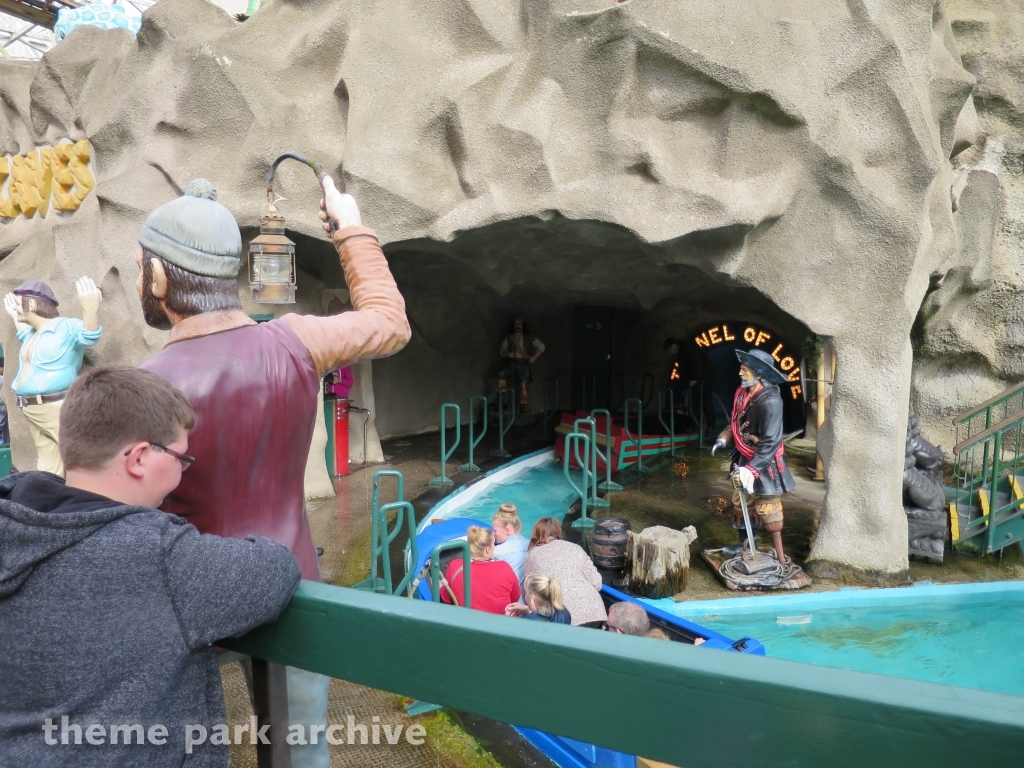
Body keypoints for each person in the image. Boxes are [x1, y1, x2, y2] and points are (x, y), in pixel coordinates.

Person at [136, 177, 410, 768]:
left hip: (190, 603)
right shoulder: (297, 340)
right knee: (302, 751)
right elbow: (390, 320)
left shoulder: (142, 386)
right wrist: (349, 227)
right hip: (293, 583)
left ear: (158, 278)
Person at [0, 366, 300, 767]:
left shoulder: (14, 525)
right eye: (181, 456)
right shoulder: (159, 557)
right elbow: (274, 570)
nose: (183, 469)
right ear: (140, 458)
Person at [3, 278, 103, 475]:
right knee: (49, 463)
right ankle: (51, 500)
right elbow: (24, 333)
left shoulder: (65, 327)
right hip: (32, 408)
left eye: (19, 303)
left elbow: (89, 336)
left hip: (55, 406)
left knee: (79, 455)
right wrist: (15, 316)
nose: (16, 308)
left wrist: (90, 309)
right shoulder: (33, 334)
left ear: (31, 303)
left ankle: (92, 498)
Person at [711, 348, 797, 564]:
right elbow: (735, 422)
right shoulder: (742, 393)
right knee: (742, 502)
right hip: (743, 457)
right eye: (741, 369)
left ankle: (780, 557)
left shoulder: (771, 401)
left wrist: (751, 470)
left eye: (745, 370)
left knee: (769, 509)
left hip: (764, 464)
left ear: (759, 374)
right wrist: (724, 438)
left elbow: (770, 442)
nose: (740, 374)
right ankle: (745, 545)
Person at [524, 517, 607, 628]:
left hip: (565, 617)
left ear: (536, 533)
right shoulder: (576, 548)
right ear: (558, 531)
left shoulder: (532, 554)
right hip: (595, 610)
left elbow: (530, 588)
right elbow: (597, 582)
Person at [440, 525, 520, 614]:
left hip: (467, 623)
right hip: (500, 625)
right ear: (487, 549)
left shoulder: (455, 566)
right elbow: (515, 597)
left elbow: (446, 598)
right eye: (493, 543)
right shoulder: (504, 568)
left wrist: (440, 585)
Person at [664, 337, 714, 437]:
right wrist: (685, 386)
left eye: (670, 350)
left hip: (705, 378)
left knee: (706, 402)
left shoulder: (690, 347)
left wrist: (697, 380)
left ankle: (711, 426)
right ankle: (696, 426)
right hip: (694, 381)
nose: (671, 352)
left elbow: (697, 364)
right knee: (694, 403)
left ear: (673, 346)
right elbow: (683, 372)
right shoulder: (680, 355)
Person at [498, 318, 544, 411]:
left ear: (523, 326)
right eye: (516, 324)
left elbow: (542, 346)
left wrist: (534, 358)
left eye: (520, 324)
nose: (518, 326)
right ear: (513, 325)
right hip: (512, 362)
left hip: (523, 363)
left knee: (524, 385)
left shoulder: (528, 337)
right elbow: (501, 352)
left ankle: (523, 407)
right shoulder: (509, 337)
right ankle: (501, 398)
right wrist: (507, 354)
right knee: (501, 374)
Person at [505, 574, 571, 624]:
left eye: (526, 592)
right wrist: (528, 609)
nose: (525, 595)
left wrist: (509, 623)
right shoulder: (564, 613)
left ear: (533, 598)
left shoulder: (525, 622)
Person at [492, 502, 529, 584]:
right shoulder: (530, 544)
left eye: (495, 530)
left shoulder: (497, 552)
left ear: (507, 530)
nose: (493, 534)